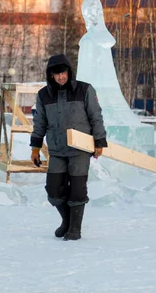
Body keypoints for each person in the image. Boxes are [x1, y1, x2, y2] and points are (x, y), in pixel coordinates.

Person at [30, 54, 107, 241]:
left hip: (80, 149)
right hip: (57, 150)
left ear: (69, 72)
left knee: (77, 190)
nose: (61, 77)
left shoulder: (84, 90)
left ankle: (75, 228)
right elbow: (39, 122)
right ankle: (66, 220)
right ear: (51, 76)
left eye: (63, 73)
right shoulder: (44, 95)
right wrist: (35, 147)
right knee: (54, 190)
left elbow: (95, 116)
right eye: (56, 75)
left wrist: (99, 141)